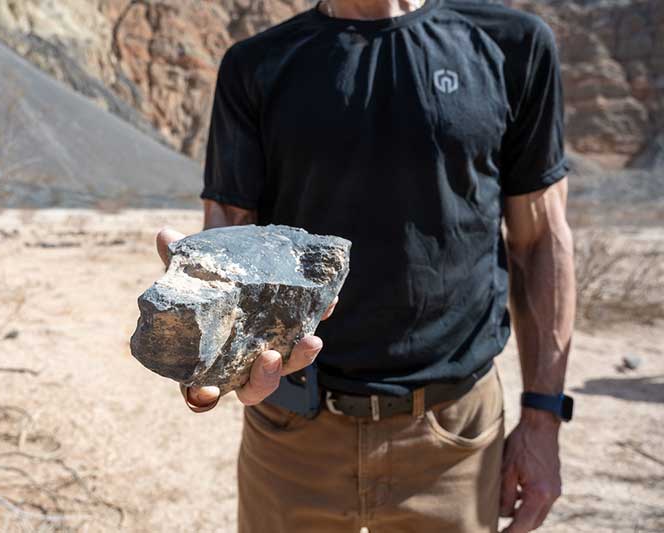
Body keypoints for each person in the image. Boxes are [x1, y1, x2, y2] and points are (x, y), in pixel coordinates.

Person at [154, 1, 576, 531]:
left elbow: (539, 240)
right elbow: (227, 242)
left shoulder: (511, 45)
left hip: (454, 442)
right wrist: (209, 364)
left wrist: (543, 417)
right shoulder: (257, 64)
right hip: (291, 432)